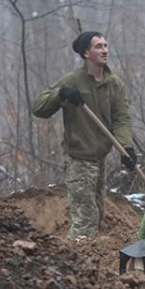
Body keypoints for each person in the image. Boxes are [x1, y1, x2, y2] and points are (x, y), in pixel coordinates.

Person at [32, 31, 136, 239]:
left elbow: (121, 119)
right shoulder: (72, 80)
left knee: (97, 216)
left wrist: (127, 148)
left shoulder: (114, 84)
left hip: (100, 159)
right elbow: (38, 108)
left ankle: (88, 266)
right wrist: (61, 95)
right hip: (79, 161)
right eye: (98, 47)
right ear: (86, 53)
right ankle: (71, 263)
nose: (105, 50)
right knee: (86, 219)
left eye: (106, 45)